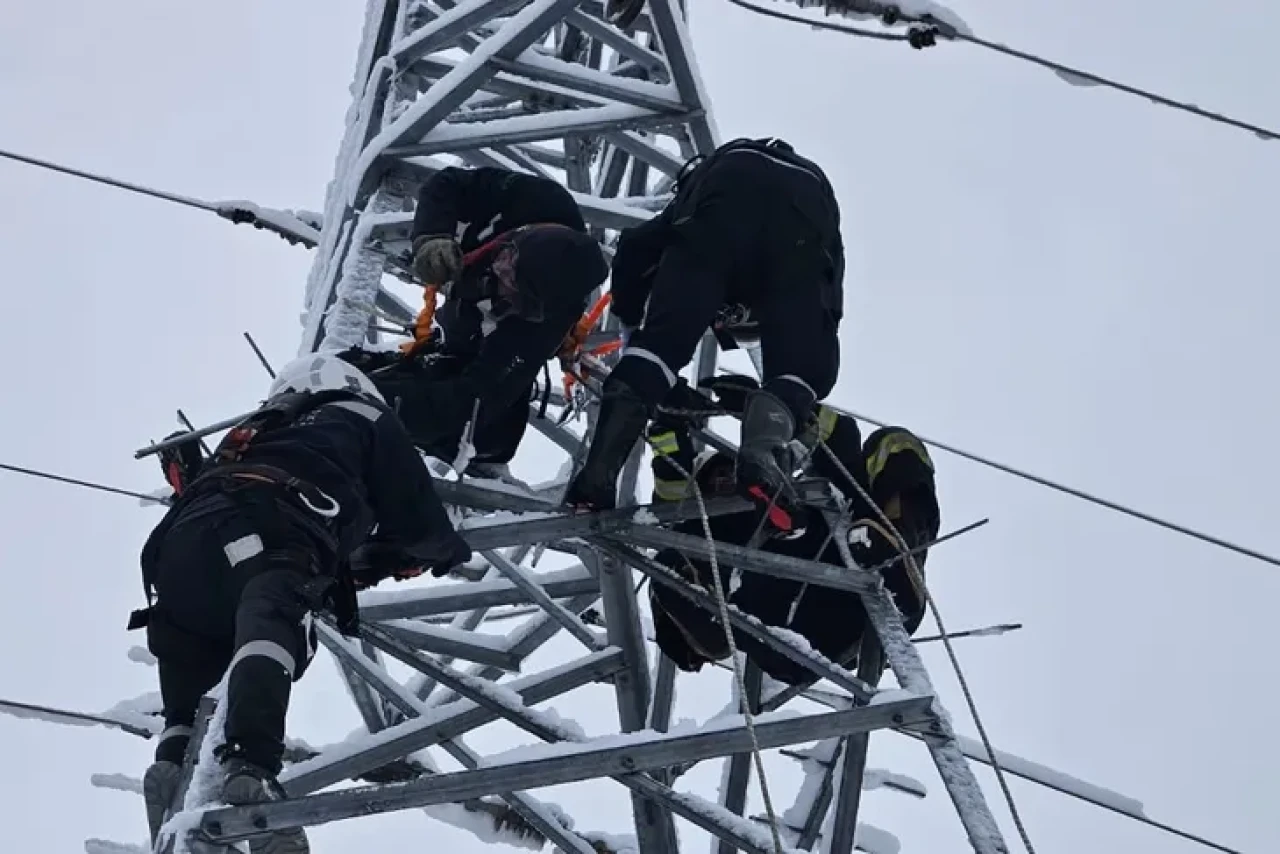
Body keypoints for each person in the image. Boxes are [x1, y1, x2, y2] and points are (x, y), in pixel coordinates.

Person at [131, 352, 472, 853]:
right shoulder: (362, 412)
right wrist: (446, 551)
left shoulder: (256, 429)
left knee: (191, 643)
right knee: (272, 615)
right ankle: (249, 765)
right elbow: (419, 521)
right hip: (273, 521)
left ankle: (176, 749)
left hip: (178, 544)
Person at [565, 137, 845, 534]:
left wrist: (634, 331)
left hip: (727, 189)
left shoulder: (697, 215)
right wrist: (804, 369)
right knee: (804, 371)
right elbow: (825, 301)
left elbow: (634, 249)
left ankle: (598, 473)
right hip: (807, 208)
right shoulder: (786, 280)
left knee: (661, 347)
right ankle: (762, 455)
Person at [644, 382, 939, 685]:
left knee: (894, 444)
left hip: (856, 575)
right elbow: (671, 481)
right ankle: (713, 626)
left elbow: (839, 437)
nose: (726, 480)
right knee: (666, 565)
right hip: (784, 628)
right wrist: (666, 421)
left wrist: (768, 407)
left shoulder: (812, 497)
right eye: (715, 477)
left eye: (730, 471)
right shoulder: (699, 529)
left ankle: (898, 554)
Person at [340, 165, 609, 475]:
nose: (500, 280)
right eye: (507, 270)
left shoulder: (539, 328)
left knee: (484, 428)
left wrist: (381, 403)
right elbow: (447, 183)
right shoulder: (536, 199)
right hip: (468, 268)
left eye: (513, 292)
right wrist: (431, 235)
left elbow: (476, 398)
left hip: (477, 342)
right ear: (518, 241)